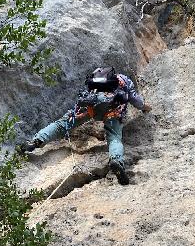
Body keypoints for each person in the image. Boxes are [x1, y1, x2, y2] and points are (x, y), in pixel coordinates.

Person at [19, 66, 152, 185]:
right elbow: (135, 100)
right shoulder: (124, 80)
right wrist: (145, 107)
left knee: (62, 124)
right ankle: (116, 161)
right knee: (114, 137)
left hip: (91, 105)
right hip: (112, 110)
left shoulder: (95, 79)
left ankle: (37, 140)